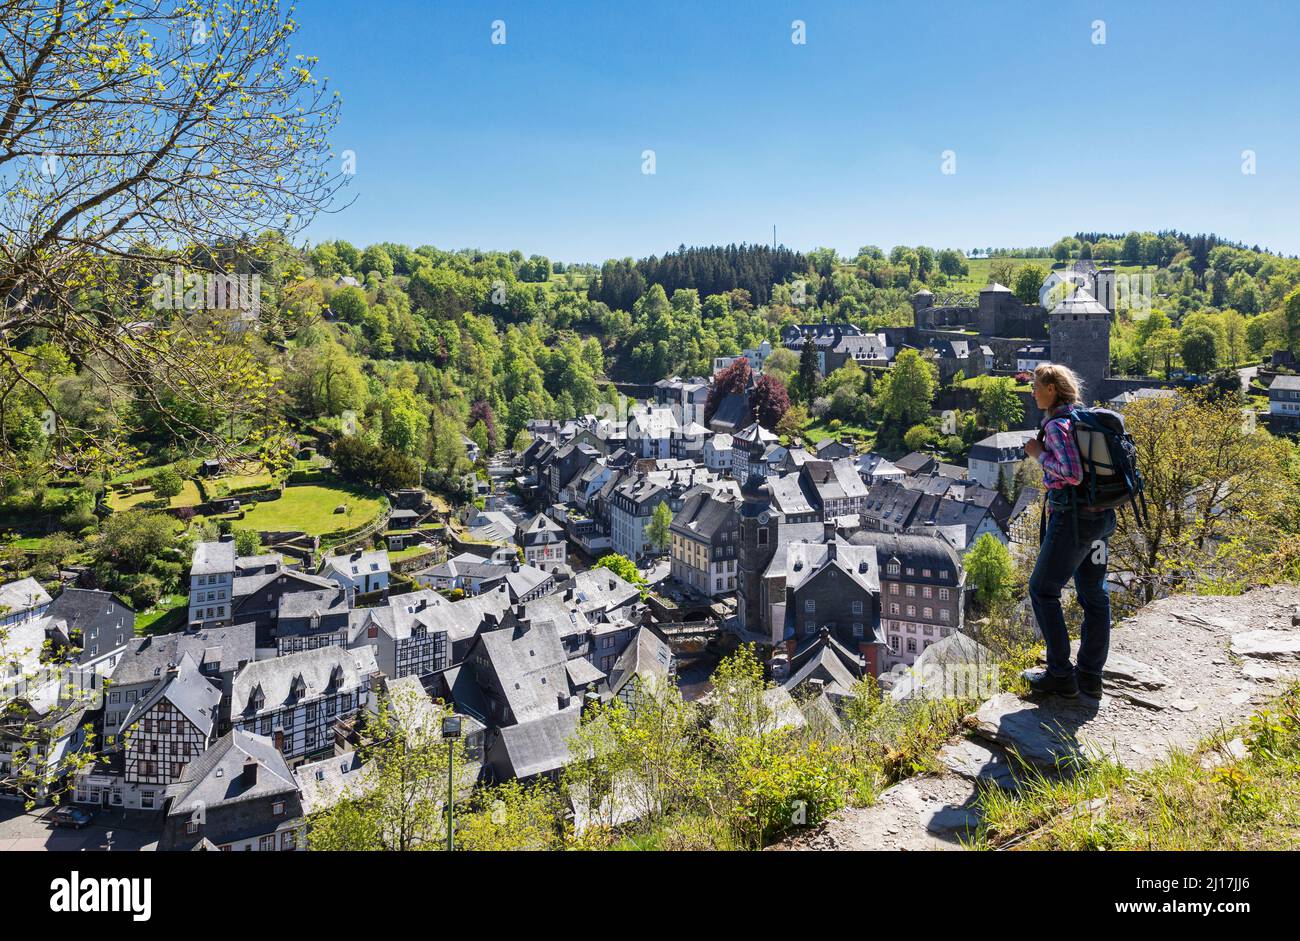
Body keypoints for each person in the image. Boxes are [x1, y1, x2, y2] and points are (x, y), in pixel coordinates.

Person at [1020, 363, 1117, 699]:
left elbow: (1072, 474)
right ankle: (1090, 676)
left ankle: (1060, 674)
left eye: (1036, 386)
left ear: (1051, 389)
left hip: (1073, 520)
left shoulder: (1059, 426)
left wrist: (1038, 453)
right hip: (1101, 518)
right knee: (1094, 594)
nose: (1032, 391)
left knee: (1043, 590)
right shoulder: (1084, 420)